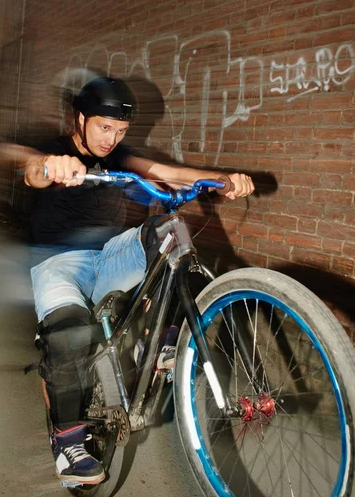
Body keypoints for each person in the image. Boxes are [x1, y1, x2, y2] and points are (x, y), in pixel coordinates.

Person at [21, 76, 254, 487]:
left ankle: (169, 340)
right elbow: (31, 172)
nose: (112, 139)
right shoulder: (54, 151)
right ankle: (68, 440)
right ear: (81, 119)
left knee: (171, 230)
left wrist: (224, 179)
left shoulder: (119, 157)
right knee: (68, 335)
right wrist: (50, 167)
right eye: (104, 128)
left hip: (110, 256)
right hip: (58, 262)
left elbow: (170, 173)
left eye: (121, 132)